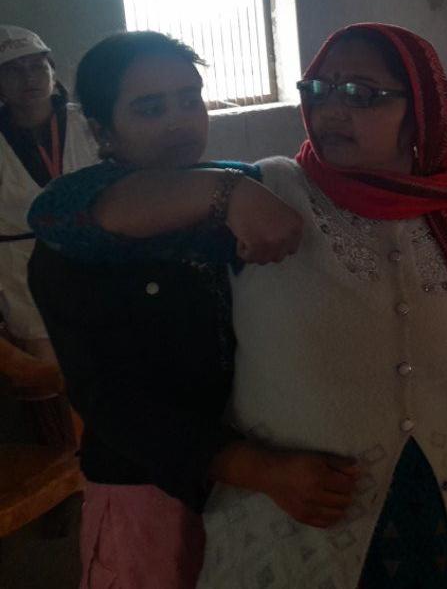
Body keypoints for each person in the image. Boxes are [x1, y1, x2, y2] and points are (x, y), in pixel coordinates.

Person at [34, 25, 447, 588]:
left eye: (362, 93)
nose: (333, 108)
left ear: (421, 110)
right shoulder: (263, 195)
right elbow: (59, 218)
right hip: (222, 513)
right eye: (319, 88)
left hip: (437, 507)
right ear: (100, 127)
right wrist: (229, 191)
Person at [28, 31, 307, 589]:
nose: (179, 121)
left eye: (189, 98)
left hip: (256, 480)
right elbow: (111, 402)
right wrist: (249, 466)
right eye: (150, 108)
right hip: (148, 492)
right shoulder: (74, 235)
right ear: (101, 130)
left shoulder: (224, 205)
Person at [0, 26, 99, 445]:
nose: (29, 78)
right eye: (13, 70)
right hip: (20, 265)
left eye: (37, 66)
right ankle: (69, 459)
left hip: (93, 255)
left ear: (53, 71)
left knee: (107, 354)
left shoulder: (89, 124)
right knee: (50, 375)